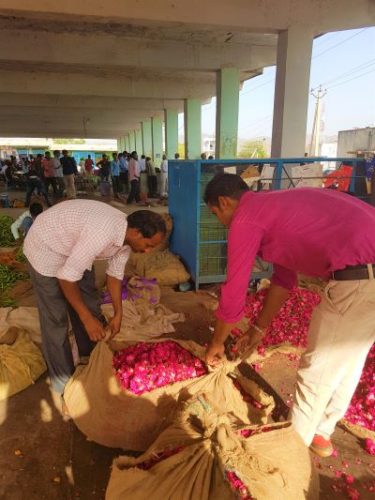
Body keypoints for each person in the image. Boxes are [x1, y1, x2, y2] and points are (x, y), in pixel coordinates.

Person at [204, 173, 375, 458]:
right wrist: (258, 331)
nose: (220, 222)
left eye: (215, 214)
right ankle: (322, 432)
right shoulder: (272, 206)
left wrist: (217, 343)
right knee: (350, 357)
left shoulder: (245, 218)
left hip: (359, 278)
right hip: (367, 272)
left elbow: (233, 295)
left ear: (224, 202)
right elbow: (284, 280)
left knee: (316, 369)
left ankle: (288, 454)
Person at [24, 201, 166, 404]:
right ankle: (62, 383)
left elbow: (114, 276)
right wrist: (86, 318)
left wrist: (119, 314)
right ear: (136, 233)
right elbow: (66, 278)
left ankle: (89, 358)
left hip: (72, 247)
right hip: (45, 247)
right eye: (149, 245)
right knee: (56, 319)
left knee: (89, 304)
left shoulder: (124, 240)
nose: (147, 251)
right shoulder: (101, 234)